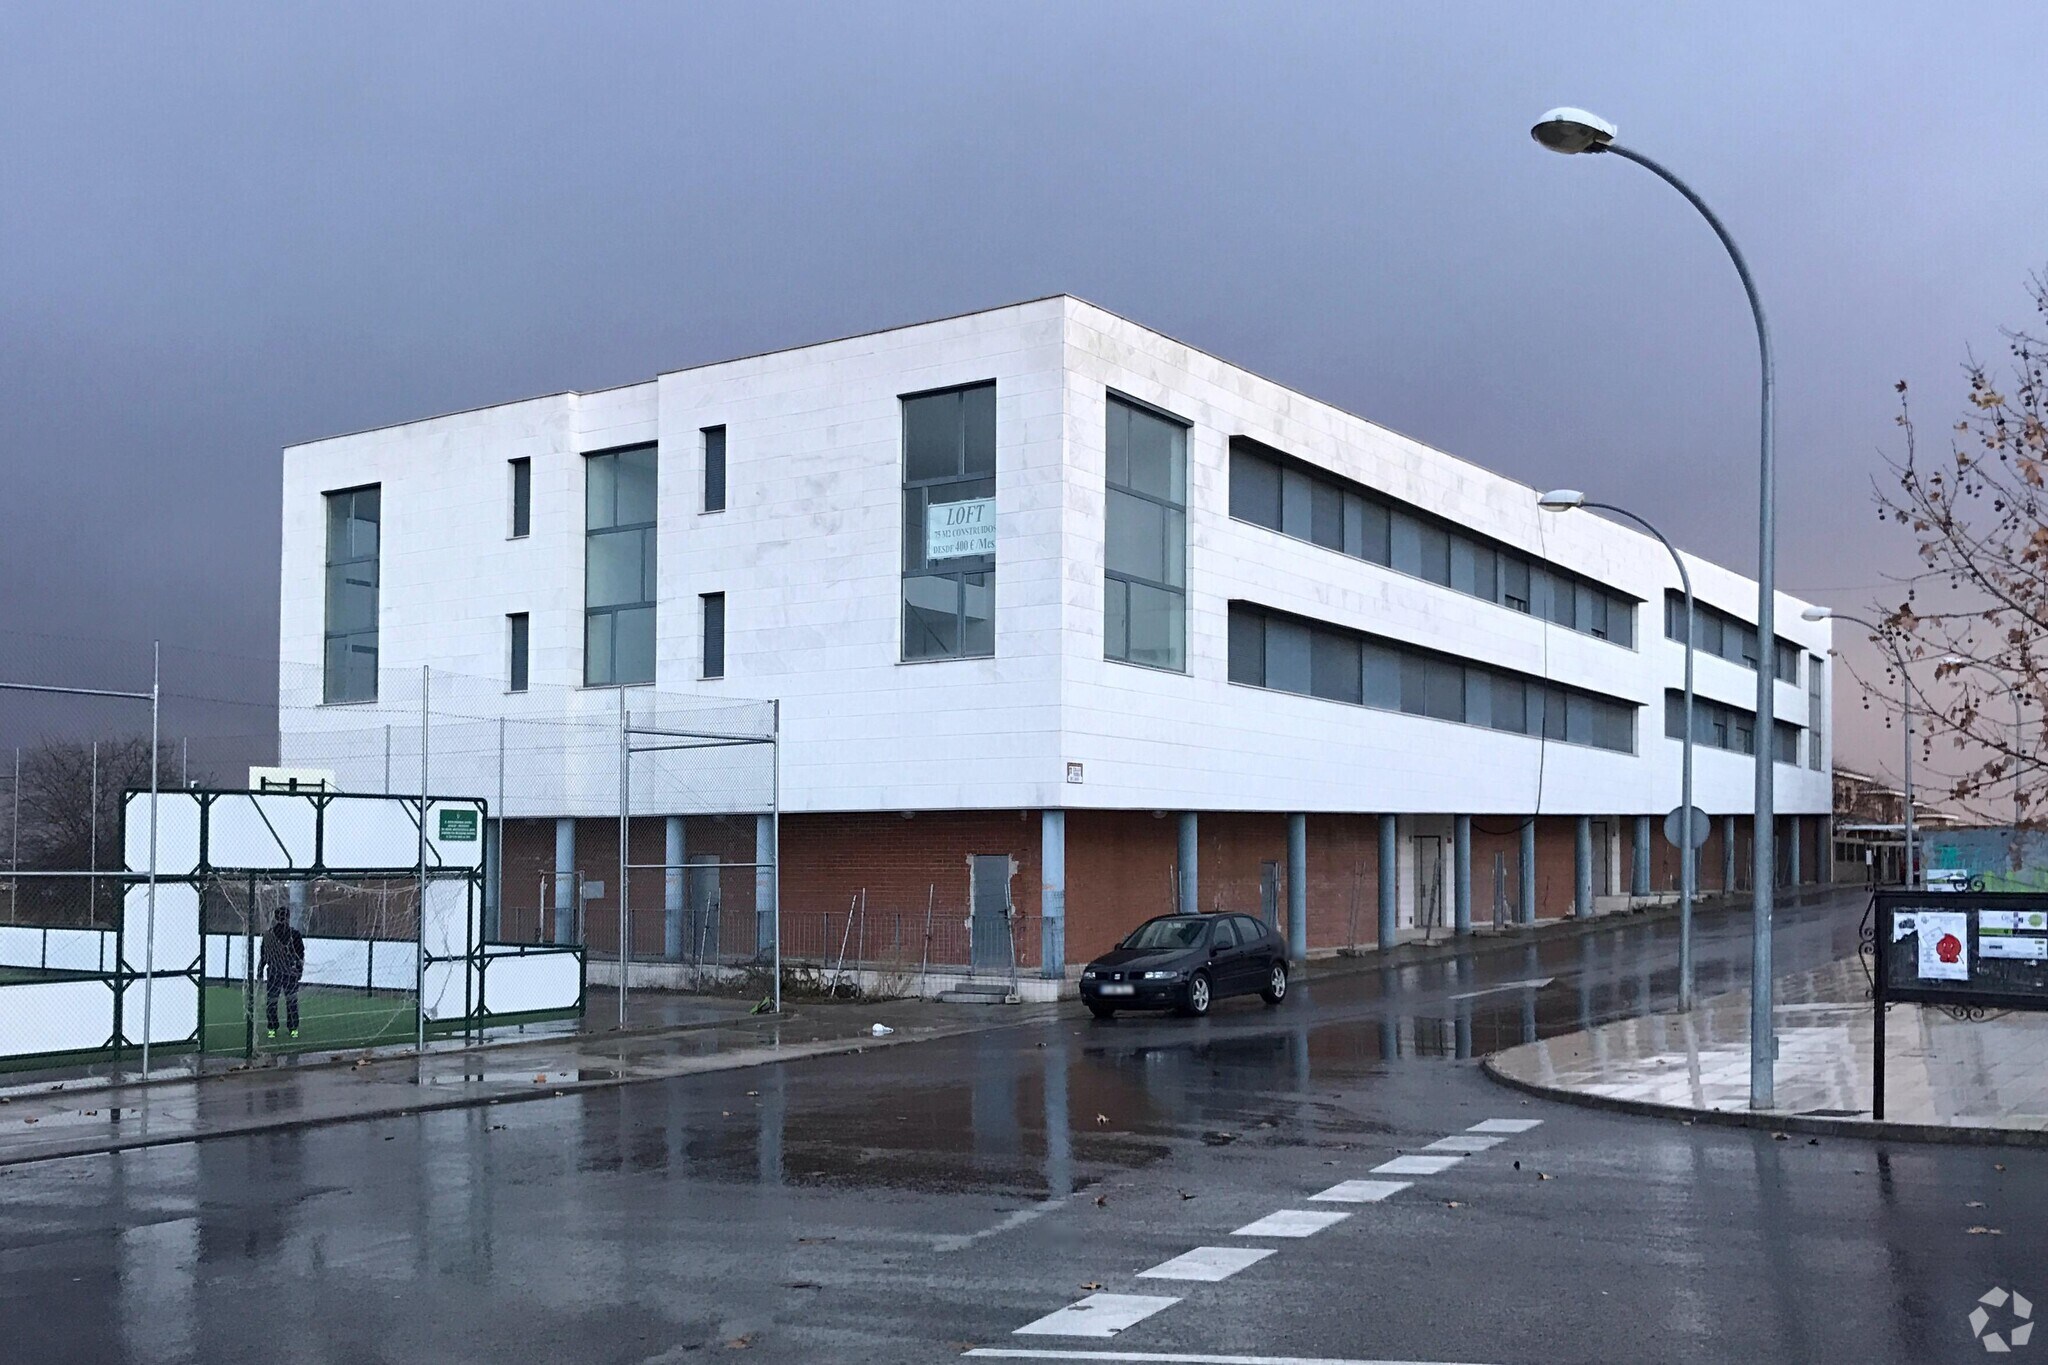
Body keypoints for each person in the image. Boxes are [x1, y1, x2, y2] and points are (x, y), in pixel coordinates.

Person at [259, 906, 306, 1041]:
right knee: (291, 1000)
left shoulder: (268, 935)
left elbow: (264, 955)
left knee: (272, 1001)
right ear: (288, 917)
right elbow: (300, 954)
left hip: (274, 972)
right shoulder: (295, 934)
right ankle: (293, 1029)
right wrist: (299, 970)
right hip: (290, 972)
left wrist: (260, 971)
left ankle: (272, 1029)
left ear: (275, 917)